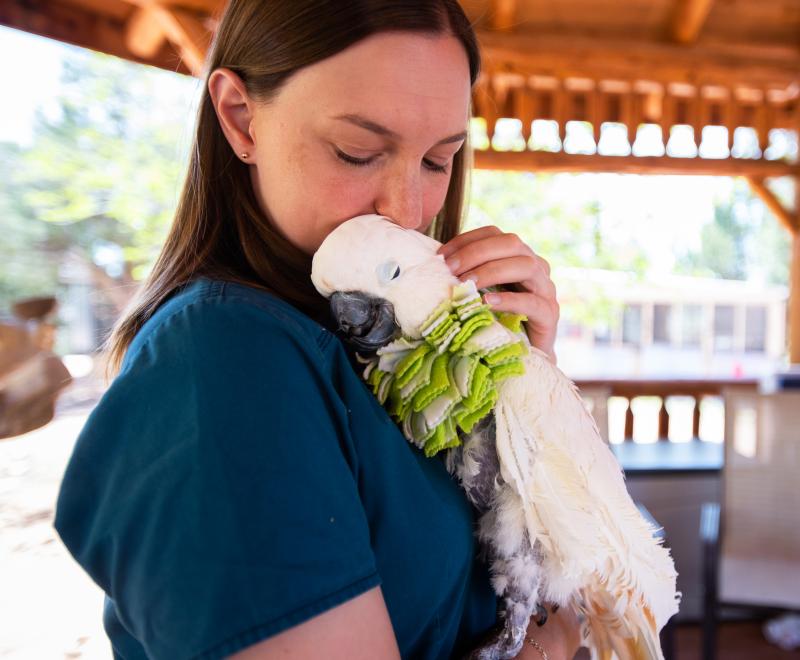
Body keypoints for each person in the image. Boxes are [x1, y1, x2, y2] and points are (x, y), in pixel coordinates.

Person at [55, 1, 580, 658]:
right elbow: (560, 619)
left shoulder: (388, 350)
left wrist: (529, 392)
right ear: (240, 118)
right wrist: (555, 643)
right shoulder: (223, 359)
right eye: (357, 152)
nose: (407, 210)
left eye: (438, 161)